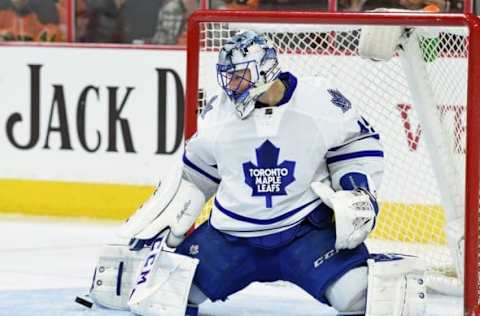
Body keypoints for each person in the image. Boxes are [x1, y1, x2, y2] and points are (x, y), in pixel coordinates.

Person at [88, 30, 429, 316]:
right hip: (231, 238)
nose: (232, 85)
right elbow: (195, 175)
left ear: (266, 69)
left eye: (241, 75)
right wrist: (168, 222)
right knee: (161, 299)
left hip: (305, 235)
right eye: (228, 76)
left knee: (360, 296)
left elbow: (356, 143)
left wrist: (356, 189)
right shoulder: (217, 117)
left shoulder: (319, 101)